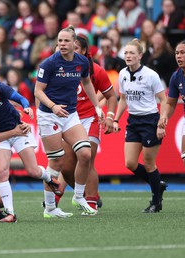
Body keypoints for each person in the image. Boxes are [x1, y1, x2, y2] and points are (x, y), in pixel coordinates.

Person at [0, 58, 67, 222]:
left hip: (19, 131)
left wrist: (26, 107)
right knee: (2, 172)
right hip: (0, 137)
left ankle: (48, 178)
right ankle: (10, 213)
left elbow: (20, 98)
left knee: (33, 171)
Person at [33, 25, 104, 216]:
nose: (62, 44)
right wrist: (53, 106)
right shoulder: (49, 64)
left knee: (85, 154)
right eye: (60, 40)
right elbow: (37, 91)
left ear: (74, 43)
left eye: (66, 40)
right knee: (56, 162)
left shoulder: (82, 62)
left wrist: (97, 106)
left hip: (70, 114)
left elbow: (87, 82)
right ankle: (50, 208)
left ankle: (78, 197)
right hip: (49, 115)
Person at [52, 36, 117, 215]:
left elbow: (112, 96)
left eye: (76, 46)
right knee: (66, 166)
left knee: (86, 158)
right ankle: (91, 194)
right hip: (69, 119)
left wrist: (110, 116)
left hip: (90, 119)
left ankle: (90, 201)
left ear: (83, 51)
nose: (68, 48)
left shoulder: (96, 70)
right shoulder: (57, 68)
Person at [113, 39, 167, 213]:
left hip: (150, 120)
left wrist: (161, 121)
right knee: (129, 163)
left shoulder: (151, 75)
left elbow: (164, 100)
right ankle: (157, 184)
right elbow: (123, 99)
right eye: (126, 53)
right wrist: (115, 119)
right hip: (133, 121)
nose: (128, 56)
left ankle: (156, 202)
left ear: (140, 56)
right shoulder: (122, 74)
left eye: (131, 53)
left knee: (149, 163)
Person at [158, 40, 185, 165]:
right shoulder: (176, 76)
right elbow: (171, 103)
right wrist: (164, 116)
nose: (179, 56)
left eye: (182, 53)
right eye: (177, 53)